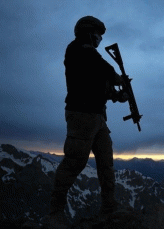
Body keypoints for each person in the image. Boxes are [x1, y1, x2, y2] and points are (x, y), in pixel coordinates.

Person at [43, 16, 128, 228]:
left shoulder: (92, 56)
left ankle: (109, 207)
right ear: (88, 33)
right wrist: (117, 78)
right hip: (81, 117)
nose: (100, 39)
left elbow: (99, 87)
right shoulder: (77, 51)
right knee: (74, 163)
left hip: (98, 118)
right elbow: (100, 67)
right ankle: (55, 213)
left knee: (106, 163)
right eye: (98, 35)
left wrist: (118, 95)